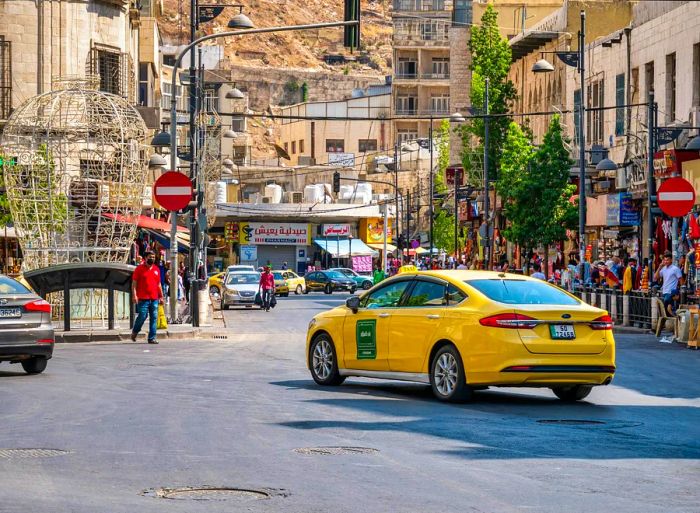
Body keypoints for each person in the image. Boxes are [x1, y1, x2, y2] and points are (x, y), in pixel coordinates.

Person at [131, 250, 164, 344]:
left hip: (154, 298)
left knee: (154, 317)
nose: (152, 259)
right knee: (142, 315)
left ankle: (152, 338)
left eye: (153, 257)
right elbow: (134, 284)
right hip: (143, 298)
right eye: (150, 257)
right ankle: (135, 331)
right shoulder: (139, 269)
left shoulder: (156, 269)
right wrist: (134, 295)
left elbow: (159, 284)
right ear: (145, 258)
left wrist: (161, 296)